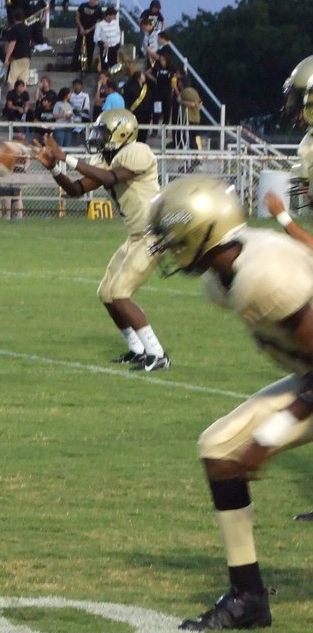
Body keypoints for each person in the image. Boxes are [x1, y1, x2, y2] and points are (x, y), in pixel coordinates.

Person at [145, 176, 304, 630]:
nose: (169, 249)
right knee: (219, 448)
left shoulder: (263, 276)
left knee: (239, 445)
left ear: (203, 233)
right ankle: (248, 597)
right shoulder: (228, 274)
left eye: (174, 239)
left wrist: (268, 438)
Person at [32, 108, 169, 370]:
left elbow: (110, 178)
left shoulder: (138, 152)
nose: (99, 136)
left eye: (104, 132)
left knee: (120, 293)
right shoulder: (110, 157)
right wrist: (54, 168)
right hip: (136, 235)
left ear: (122, 133)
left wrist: (65, 157)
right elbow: (76, 189)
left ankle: (158, 354)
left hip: (154, 234)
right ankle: (137, 349)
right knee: (107, 293)